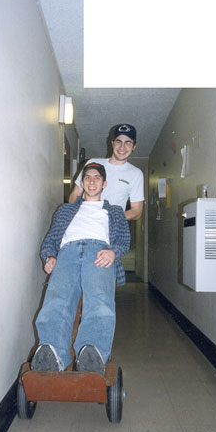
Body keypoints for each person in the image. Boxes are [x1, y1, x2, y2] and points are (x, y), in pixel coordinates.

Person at [32, 162, 130, 375]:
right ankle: (54, 354)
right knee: (56, 300)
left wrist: (113, 252)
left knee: (99, 303)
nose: (92, 181)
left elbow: (123, 239)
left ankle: (92, 353)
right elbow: (52, 239)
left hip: (99, 254)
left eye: (97, 178)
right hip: (67, 253)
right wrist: (49, 256)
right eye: (87, 177)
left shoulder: (114, 211)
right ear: (82, 183)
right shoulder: (66, 210)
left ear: (104, 184)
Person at [69, 124, 144, 221]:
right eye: (118, 142)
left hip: (111, 227)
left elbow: (137, 211)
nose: (122, 147)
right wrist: (74, 215)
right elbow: (75, 193)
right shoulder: (92, 163)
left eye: (128, 143)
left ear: (134, 146)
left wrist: (109, 217)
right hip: (83, 221)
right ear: (112, 143)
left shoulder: (136, 174)